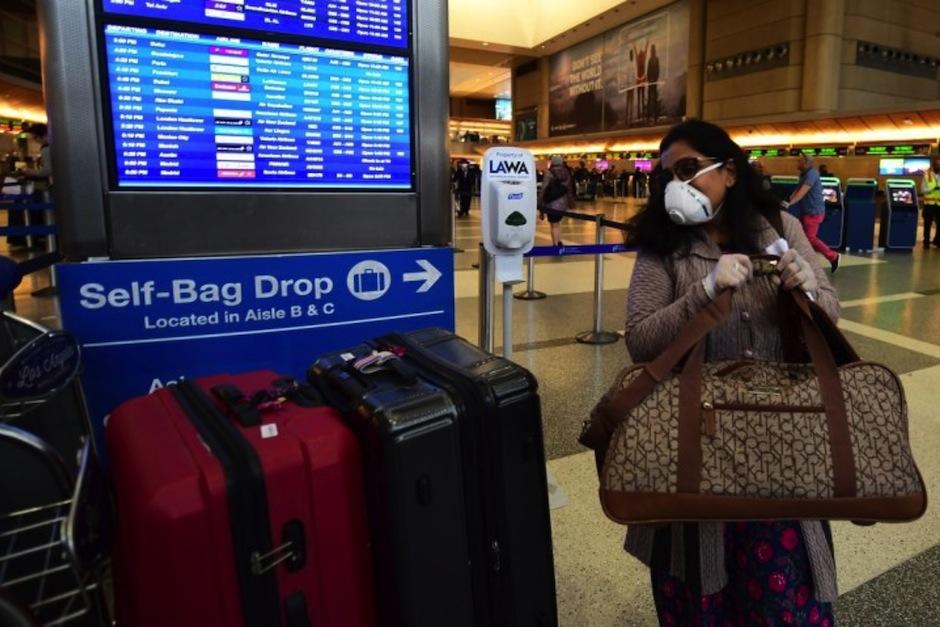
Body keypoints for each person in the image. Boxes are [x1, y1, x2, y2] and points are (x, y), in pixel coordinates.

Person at [622, 119, 841, 626]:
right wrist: (704, 292)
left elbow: (830, 315)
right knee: (700, 595)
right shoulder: (662, 245)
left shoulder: (780, 228)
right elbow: (641, 340)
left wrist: (809, 290)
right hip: (694, 453)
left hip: (781, 454)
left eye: (688, 169)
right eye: (667, 176)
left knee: (784, 602)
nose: (676, 184)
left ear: (731, 172)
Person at [784, 154, 840, 272]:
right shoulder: (804, 174)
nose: (797, 163)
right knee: (800, 237)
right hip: (806, 212)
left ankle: (833, 256)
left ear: (806, 163)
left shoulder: (812, 174)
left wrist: (791, 203)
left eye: (799, 161)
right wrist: (787, 200)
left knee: (810, 238)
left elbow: (803, 192)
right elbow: (797, 190)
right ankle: (800, 262)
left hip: (814, 212)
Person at [539, 155, 575, 247]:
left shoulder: (549, 173)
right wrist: (571, 203)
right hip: (563, 203)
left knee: (553, 224)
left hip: (551, 203)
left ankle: (555, 244)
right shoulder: (567, 172)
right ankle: (559, 241)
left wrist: (540, 202)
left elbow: (544, 188)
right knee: (558, 223)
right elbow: (570, 189)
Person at [918, 156, 940, 248]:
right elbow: (922, 190)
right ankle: (926, 242)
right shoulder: (927, 176)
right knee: (927, 224)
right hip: (929, 204)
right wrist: (933, 189)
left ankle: (937, 241)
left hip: (939, 204)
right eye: (937, 164)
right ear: (934, 165)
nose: (939, 166)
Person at [646, 44, 660, 122]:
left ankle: (655, 117)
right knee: (649, 99)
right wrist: (649, 79)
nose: (652, 51)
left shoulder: (656, 59)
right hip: (650, 82)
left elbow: (658, 70)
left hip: (654, 81)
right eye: (652, 50)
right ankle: (648, 117)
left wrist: (655, 79)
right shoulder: (650, 60)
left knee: (654, 99)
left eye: (653, 50)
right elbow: (648, 71)